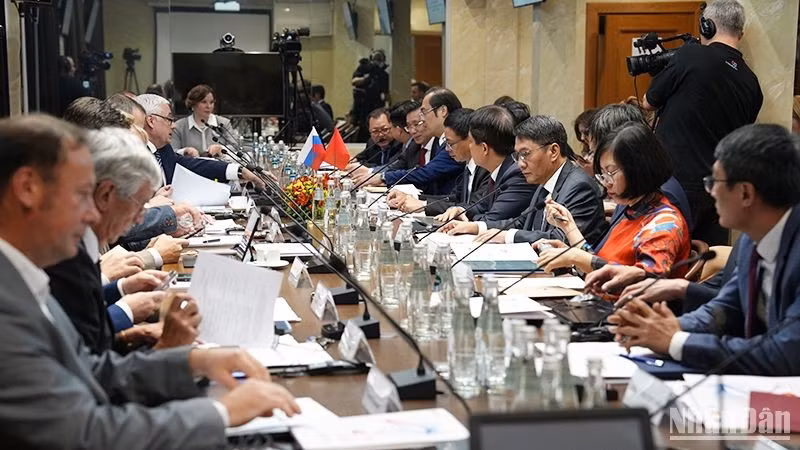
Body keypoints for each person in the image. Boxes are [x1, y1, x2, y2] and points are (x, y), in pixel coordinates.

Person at [0, 114, 299, 448]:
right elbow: (85, 435)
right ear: (27, 188)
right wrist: (220, 413)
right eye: (83, 194)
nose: (91, 214)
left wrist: (193, 362)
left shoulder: (23, 275)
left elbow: (91, 372)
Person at [609, 124, 800, 375]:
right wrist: (665, 327)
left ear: (745, 193)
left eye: (714, 181)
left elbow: (786, 353)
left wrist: (676, 341)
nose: (710, 191)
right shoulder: (750, 240)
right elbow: (725, 309)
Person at [45, 127, 192, 354]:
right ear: (106, 195)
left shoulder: (82, 239)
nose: (141, 216)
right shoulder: (63, 249)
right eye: (140, 203)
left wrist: (122, 289)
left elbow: (81, 308)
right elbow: (80, 351)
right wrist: (126, 311)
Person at [643, 0, 762, 245]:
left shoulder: (692, 54)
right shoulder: (752, 83)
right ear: (741, 33)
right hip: (720, 189)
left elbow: (648, 102)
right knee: (709, 261)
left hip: (675, 183)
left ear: (706, 26)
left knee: (666, 256)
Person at [536, 121, 690, 276]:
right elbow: (600, 261)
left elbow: (646, 282)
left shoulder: (665, 222)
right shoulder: (631, 209)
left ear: (638, 168)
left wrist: (576, 257)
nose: (605, 183)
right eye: (602, 174)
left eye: (610, 173)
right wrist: (569, 228)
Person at [475, 115, 607, 246]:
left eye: (525, 154)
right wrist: (476, 227)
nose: (520, 164)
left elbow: (561, 239)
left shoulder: (579, 187)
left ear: (553, 151)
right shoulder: (544, 180)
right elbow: (522, 222)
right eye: (517, 155)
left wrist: (508, 236)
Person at [588, 104, 693, 241]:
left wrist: (581, 258)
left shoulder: (661, 196)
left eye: (609, 170)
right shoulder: (632, 191)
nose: (593, 159)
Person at [438, 105, 536, 234]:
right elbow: (481, 206)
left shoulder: (517, 174)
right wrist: (461, 210)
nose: (469, 146)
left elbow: (492, 218)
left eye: (471, 142)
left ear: (484, 148)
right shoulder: (498, 170)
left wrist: (468, 222)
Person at [351, 88, 464, 195]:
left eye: (424, 113)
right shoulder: (436, 142)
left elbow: (427, 172)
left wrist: (382, 177)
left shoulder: (455, 142)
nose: (423, 120)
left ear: (443, 111)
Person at [136, 94, 264, 188]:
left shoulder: (163, 150)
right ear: (151, 121)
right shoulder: (135, 156)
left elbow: (194, 166)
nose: (173, 125)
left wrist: (240, 171)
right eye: (169, 119)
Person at [388, 108, 490, 215]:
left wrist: (423, 205)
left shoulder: (486, 169)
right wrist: (412, 197)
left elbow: (473, 207)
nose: (447, 149)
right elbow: (453, 198)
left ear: (470, 140)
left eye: (450, 143)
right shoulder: (468, 166)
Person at [171, 84, 236, 157]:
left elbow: (235, 147)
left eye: (211, 102)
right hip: (190, 167)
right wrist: (185, 151)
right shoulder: (179, 126)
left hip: (218, 166)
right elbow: (171, 151)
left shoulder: (223, 123)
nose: (208, 106)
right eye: (204, 102)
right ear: (193, 104)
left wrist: (221, 148)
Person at [352, 50, 390, 140]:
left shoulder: (383, 75)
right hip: (362, 105)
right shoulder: (364, 68)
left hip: (377, 105)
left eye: (379, 59)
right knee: (362, 130)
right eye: (376, 58)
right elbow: (354, 81)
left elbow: (386, 93)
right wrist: (366, 78)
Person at [573, 108, 597, 177]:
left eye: (586, 133)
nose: (582, 138)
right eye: (580, 133)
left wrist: (593, 174)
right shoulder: (588, 152)